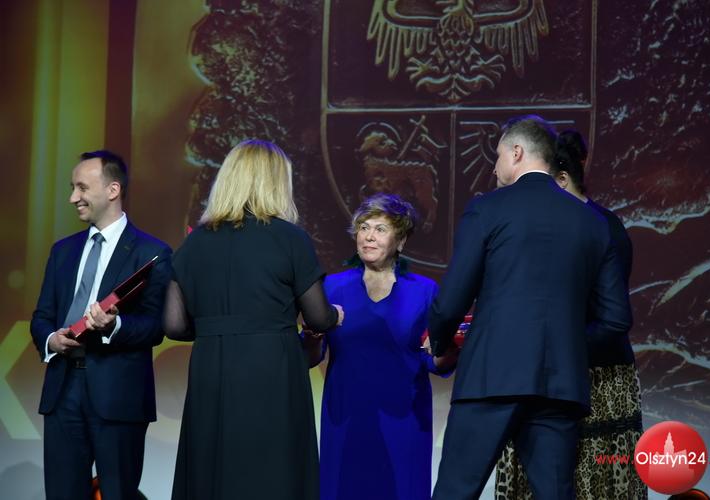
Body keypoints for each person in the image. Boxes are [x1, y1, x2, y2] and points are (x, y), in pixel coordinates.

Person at [428, 115, 633, 500]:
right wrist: (566, 348)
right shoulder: (593, 222)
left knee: (456, 491)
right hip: (559, 386)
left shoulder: (486, 209)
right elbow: (616, 319)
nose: (495, 167)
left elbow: (452, 298)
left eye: (498, 155)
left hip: (491, 376)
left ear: (517, 153)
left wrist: (439, 343)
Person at [163, 139, 344, 500]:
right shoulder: (290, 239)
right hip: (271, 369)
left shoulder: (194, 244)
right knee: (272, 469)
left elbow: (174, 325)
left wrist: (216, 328)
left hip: (211, 368)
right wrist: (335, 315)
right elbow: (318, 317)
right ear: (277, 183)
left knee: (214, 465)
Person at [494, 129, 646, 499]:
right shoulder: (547, 227)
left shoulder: (602, 227)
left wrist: (556, 347)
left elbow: (611, 319)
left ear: (561, 180)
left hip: (597, 378)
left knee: (593, 479)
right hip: (541, 374)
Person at [30, 150, 172, 500]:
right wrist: (51, 340)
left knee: (118, 493)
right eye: (72, 188)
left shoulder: (151, 252)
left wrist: (113, 325)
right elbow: (42, 316)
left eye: (81, 187)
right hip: (63, 390)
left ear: (113, 190)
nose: (72, 198)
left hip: (119, 395)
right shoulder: (62, 251)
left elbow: (155, 327)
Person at [308, 193, 458, 500]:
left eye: (380, 229)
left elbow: (436, 362)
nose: (368, 236)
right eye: (363, 228)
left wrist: (455, 347)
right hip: (346, 417)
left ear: (400, 241)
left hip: (404, 421)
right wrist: (312, 335)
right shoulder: (331, 287)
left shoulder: (424, 291)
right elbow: (312, 356)